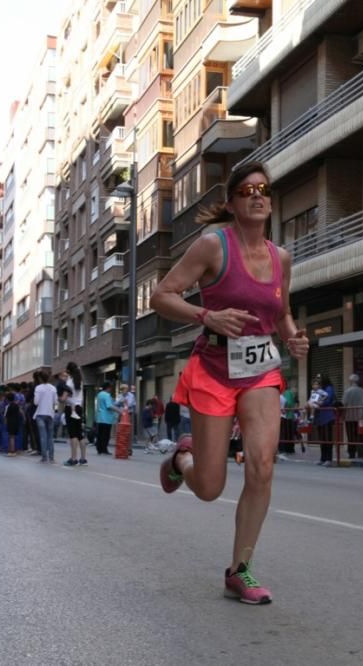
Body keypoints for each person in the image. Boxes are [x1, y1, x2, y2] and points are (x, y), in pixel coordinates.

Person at [149, 161, 309, 604]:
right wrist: (207, 315)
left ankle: (241, 569)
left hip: (260, 371)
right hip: (214, 369)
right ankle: (182, 460)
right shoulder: (212, 246)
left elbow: (280, 313)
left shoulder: (282, 258)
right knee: (209, 487)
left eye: (263, 190)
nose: (256, 196)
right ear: (234, 203)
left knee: (262, 466)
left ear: (270, 201)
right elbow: (162, 294)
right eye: (246, 191)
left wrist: (293, 338)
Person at [33, 370, 56, 463]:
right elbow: (55, 401)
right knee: (50, 436)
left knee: (43, 436)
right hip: (50, 414)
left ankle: (44, 457)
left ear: (40, 378)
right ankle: (51, 457)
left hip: (40, 414)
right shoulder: (53, 388)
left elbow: (36, 402)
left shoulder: (38, 388)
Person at [342, 374, 363, 460]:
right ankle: (361, 452)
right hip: (360, 416)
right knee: (360, 435)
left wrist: (342, 415)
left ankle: (351, 453)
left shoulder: (347, 392)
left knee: (350, 435)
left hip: (349, 416)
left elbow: (344, 404)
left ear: (351, 381)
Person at [314, 376, 337, 466]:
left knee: (327, 438)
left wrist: (318, 402)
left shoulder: (329, 389)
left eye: (319, 381)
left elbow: (327, 400)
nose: (318, 383)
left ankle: (328, 459)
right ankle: (323, 458)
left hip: (327, 415)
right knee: (322, 438)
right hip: (321, 416)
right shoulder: (320, 390)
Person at [94, 381, 120, 455]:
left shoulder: (99, 394)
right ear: (108, 388)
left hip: (99, 417)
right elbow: (109, 406)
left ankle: (99, 449)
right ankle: (104, 449)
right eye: (111, 387)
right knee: (106, 435)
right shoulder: (107, 395)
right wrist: (119, 411)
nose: (111, 389)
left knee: (100, 434)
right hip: (106, 418)